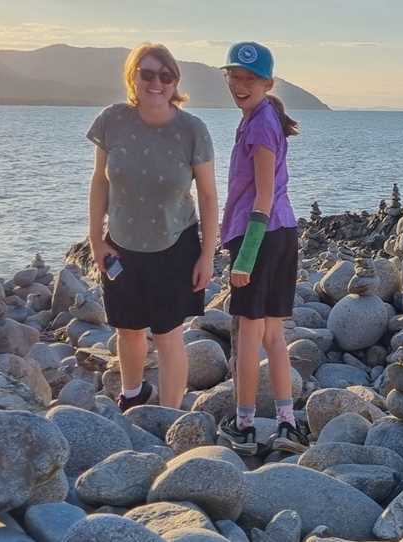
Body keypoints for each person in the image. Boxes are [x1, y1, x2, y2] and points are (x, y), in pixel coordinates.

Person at [86, 43, 218, 411]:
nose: (156, 82)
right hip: (121, 245)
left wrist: (207, 254)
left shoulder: (192, 130)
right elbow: (100, 182)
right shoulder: (111, 121)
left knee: (168, 334)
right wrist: (96, 240)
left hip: (175, 246)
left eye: (166, 76)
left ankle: (169, 415)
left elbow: (207, 196)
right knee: (127, 329)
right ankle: (133, 395)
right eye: (147, 74)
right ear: (133, 77)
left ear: (175, 82)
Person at [216, 42, 307, 455]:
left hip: (261, 236)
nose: (239, 84)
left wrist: (246, 256)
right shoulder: (263, 116)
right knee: (272, 333)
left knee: (250, 334)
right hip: (282, 234)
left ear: (267, 83)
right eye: (234, 76)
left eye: (249, 78)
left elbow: (263, 196)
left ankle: (244, 425)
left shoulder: (259, 125)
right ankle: (288, 422)